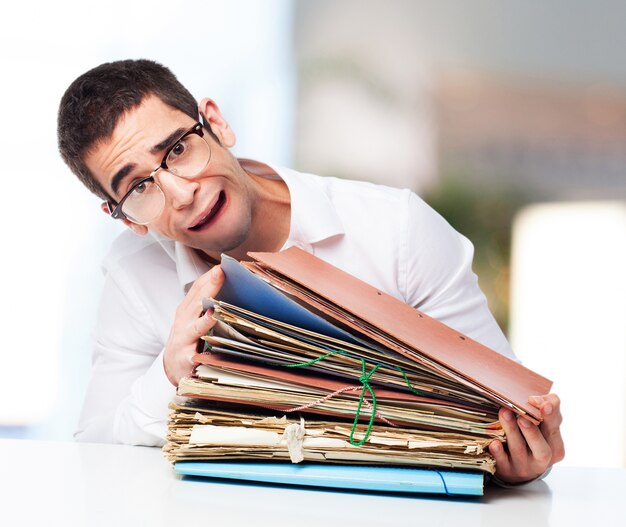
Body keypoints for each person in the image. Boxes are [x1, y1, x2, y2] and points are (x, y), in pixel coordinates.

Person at [57, 59, 563, 484]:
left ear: (216, 123)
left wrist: (520, 459)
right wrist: (168, 373)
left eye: (178, 149)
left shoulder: (397, 230)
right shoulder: (133, 271)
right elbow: (94, 450)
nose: (182, 193)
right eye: (139, 188)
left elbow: (508, 411)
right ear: (123, 218)